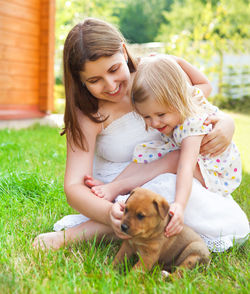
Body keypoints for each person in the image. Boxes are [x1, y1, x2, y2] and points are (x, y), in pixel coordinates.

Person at [32, 18, 249, 251]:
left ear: (124, 52)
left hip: (176, 179)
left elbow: (197, 101)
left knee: (233, 225)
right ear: (80, 81)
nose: (111, 85)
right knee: (157, 193)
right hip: (118, 191)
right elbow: (74, 187)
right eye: (94, 80)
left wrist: (226, 123)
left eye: (114, 69)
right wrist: (107, 213)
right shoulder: (89, 113)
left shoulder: (157, 74)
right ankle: (78, 234)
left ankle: (143, 226)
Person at [90, 55, 242, 237]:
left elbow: (185, 166)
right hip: (191, 156)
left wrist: (179, 204)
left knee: (173, 158)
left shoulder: (193, 122)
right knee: (145, 152)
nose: (154, 123)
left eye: (161, 114)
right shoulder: (174, 111)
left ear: (177, 100)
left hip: (215, 171)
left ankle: (117, 188)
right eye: (147, 117)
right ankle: (114, 187)